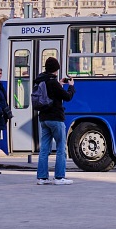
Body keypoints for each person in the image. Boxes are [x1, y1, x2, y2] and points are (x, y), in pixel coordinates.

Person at [34, 57, 76, 185]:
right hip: (56, 118)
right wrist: (71, 87)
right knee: (60, 148)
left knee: (44, 149)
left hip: (44, 118)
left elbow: (49, 92)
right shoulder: (53, 83)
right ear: (56, 69)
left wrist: (59, 84)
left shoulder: (41, 80)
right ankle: (59, 177)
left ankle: (42, 178)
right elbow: (67, 97)